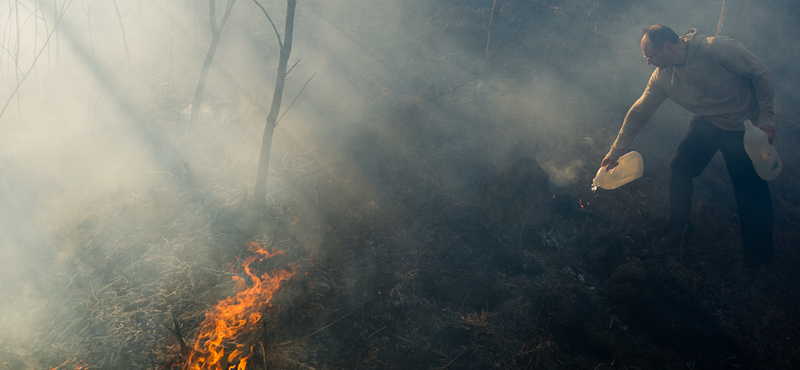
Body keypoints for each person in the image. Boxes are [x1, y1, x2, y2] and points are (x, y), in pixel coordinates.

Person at [600, 25, 776, 277]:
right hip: (708, 123)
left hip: (743, 127)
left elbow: (759, 72)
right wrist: (615, 151)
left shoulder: (716, 49)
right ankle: (680, 228)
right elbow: (639, 112)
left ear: (668, 48)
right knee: (680, 167)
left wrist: (767, 119)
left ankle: (759, 262)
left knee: (750, 193)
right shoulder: (663, 76)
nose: (649, 63)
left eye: (651, 56)